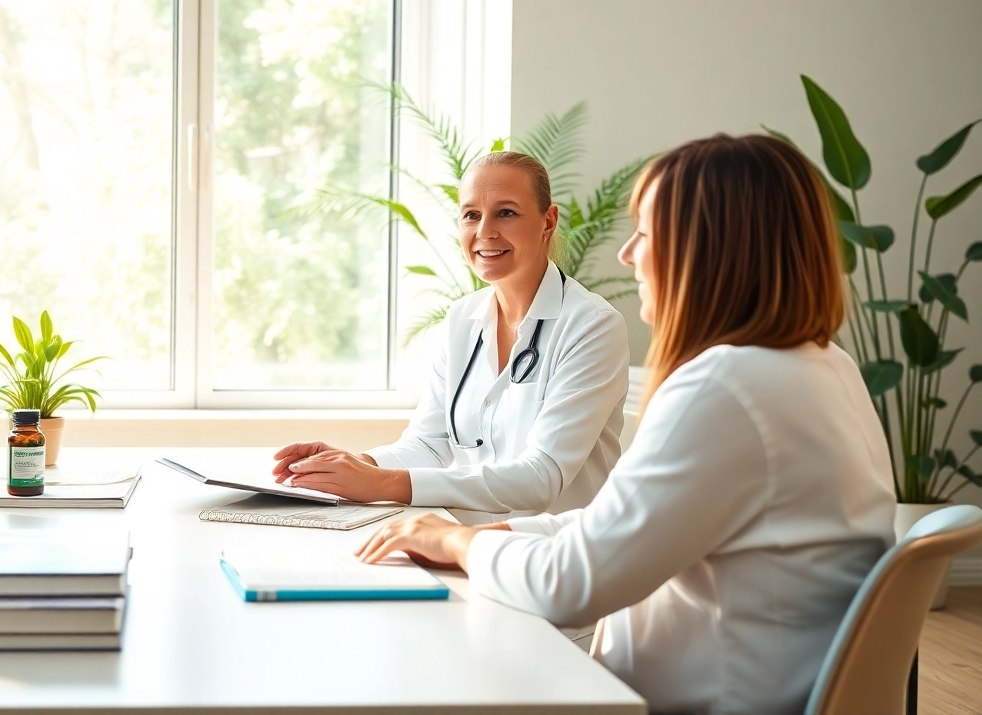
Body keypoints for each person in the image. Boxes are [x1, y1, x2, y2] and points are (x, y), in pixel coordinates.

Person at [354, 134, 898, 713]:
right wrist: (495, 535)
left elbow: (571, 584)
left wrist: (458, 541)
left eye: (646, 232)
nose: (627, 254)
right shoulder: (824, 367)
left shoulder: (724, 388)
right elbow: (622, 523)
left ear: (710, 247)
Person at [273, 151, 630, 518]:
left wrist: (379, 483)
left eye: (506, 213)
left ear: (548, 221)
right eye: (471, 215)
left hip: (555, 548)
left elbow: (542, 477)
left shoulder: (592, 326)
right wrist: (353, 465)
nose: (485, 232)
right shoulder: (462, 319)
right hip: (464, 540)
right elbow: (430, 444)